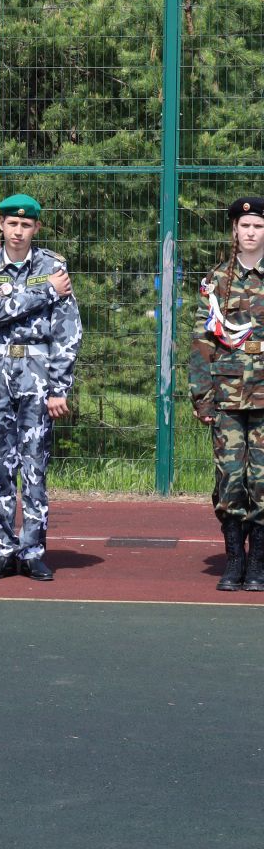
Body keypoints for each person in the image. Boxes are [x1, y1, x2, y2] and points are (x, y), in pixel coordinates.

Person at [0, 194, 81, 583]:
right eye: (12, 224)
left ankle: (33, 550)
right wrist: (46, 291)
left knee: (35, 465)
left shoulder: (54, 266)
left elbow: (68, 332)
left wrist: (59, 387)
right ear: (1, 225)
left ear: (36, 228)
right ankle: (1, 551)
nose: (18, 231)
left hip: (39, 369)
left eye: (26, 225)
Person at [189, 196, 264, 592]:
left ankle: (258, 564)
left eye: (258, 226)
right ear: (234, 230)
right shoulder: (217, 280)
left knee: (263, 482)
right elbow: (202, 342)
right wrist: (202, 397)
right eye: (245, 226)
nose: (251, 233)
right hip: (228, 395)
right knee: (231, 480)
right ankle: (234, 560)